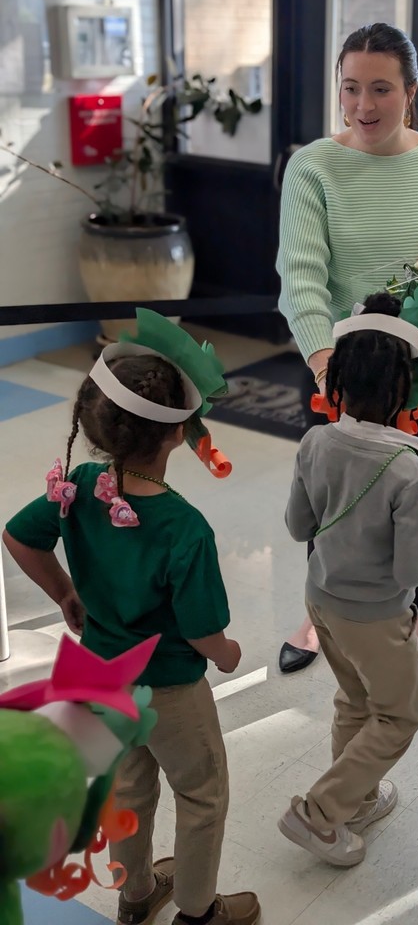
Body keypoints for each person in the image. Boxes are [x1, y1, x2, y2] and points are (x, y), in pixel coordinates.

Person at [2, 312, 260, 925]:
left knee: (129, 788)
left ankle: (137, 894)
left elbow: (17, 537)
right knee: (200, 796)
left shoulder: (81, 485)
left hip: (93, 674)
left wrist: (65, 592)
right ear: (177, 435)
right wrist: (225, 654)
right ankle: (199, 912)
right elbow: (200, 630)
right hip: (167, 685)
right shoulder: (183, 527)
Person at [277, 22, 418, 683]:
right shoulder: (313, 165)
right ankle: (318, 612)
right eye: (350, 88)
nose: (363, 105)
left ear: (410, 92)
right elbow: (302, 279)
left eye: (380, 89)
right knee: (333, 494)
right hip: (339, 368)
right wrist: (325, 366)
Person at [277, 292, 418, 866]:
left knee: (353, 699)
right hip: (376, 616)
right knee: (399, 715)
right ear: (405, 388)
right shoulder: (410, 471)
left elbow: (300, 526)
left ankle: (358, 797)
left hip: (321, 602)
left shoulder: (315, 441)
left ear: (338, 382)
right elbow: (410, 571)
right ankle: (320, 813)